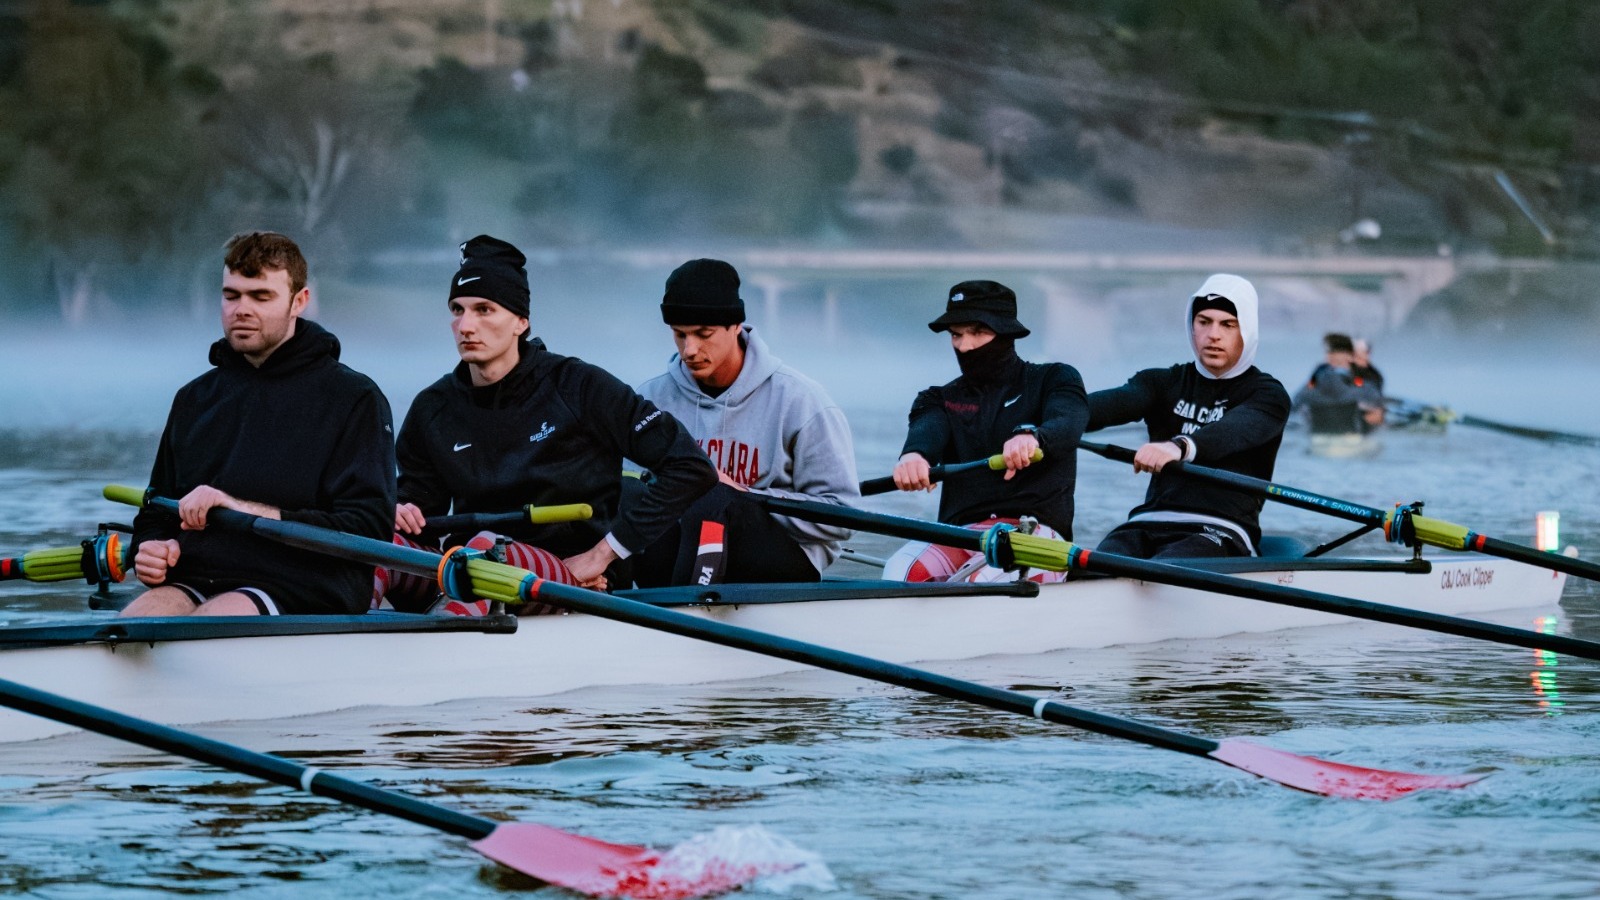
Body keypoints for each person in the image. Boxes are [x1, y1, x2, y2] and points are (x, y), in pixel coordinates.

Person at [378, 235, 717, 614]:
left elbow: (690, 467)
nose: (465, 325)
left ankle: (440, 650)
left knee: (483, 554)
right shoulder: (433, 408)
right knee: (375, 544)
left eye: (484, 310)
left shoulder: (580, 387)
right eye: (457, 309)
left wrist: (603, 554)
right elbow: (422, 519)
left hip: (573, 574)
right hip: (466, 571)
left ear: (521, 321)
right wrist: (398, 511)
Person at [123, 231, 397, 617]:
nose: (241, 309)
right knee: (132, 625)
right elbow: (156, 512)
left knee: (207, 628)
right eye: (231, 295)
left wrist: (239, 508)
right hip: (203, 575)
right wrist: (149, 549)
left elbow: (368, 528)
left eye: (261, 296)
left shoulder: (355, 398)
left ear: (299, 302)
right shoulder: (193, 399)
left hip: (307, 582)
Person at [633, 258, 859, 585]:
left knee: (711, 496)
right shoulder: (653, 398)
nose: (690, 349)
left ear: (735, 325)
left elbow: (843, 518)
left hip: (780, 559)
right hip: (682, 548)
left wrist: (740, 493)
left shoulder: (802, 401)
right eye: (679, 335)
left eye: (703, 334)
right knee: (626, 492)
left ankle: (683, 612)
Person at [883, 280, 1087, 583]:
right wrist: (914, 456)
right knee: (900, 571)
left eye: (977, 332)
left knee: (982, 583)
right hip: (962, 533)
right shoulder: (937, 399)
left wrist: (1032, 436)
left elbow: (1068, 422)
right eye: (956, 335)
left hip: (1034, 532)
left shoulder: (1054, 379)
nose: (965, 346)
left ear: (1006, 333)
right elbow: (927, 432)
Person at [1085, 273, 1290, 559]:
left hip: (1222, 529)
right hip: (1147, 522)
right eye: (1204, 322)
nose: (1213, 335)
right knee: (1096, 564)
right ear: (1191, 326)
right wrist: (1040, 424)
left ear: (1247, 330)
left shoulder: (1268, 395)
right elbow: (1098, 407)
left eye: (1227, 325)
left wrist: (1178, 446)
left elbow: (1233, 431)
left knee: (1166, 566)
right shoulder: (1161, 382)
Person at [1295, 332, 1385, 435]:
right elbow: (1309, 387)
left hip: (1345, 417)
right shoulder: (1321, 371)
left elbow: (1368, 391)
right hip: (1333, 415)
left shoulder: (1369, 374)